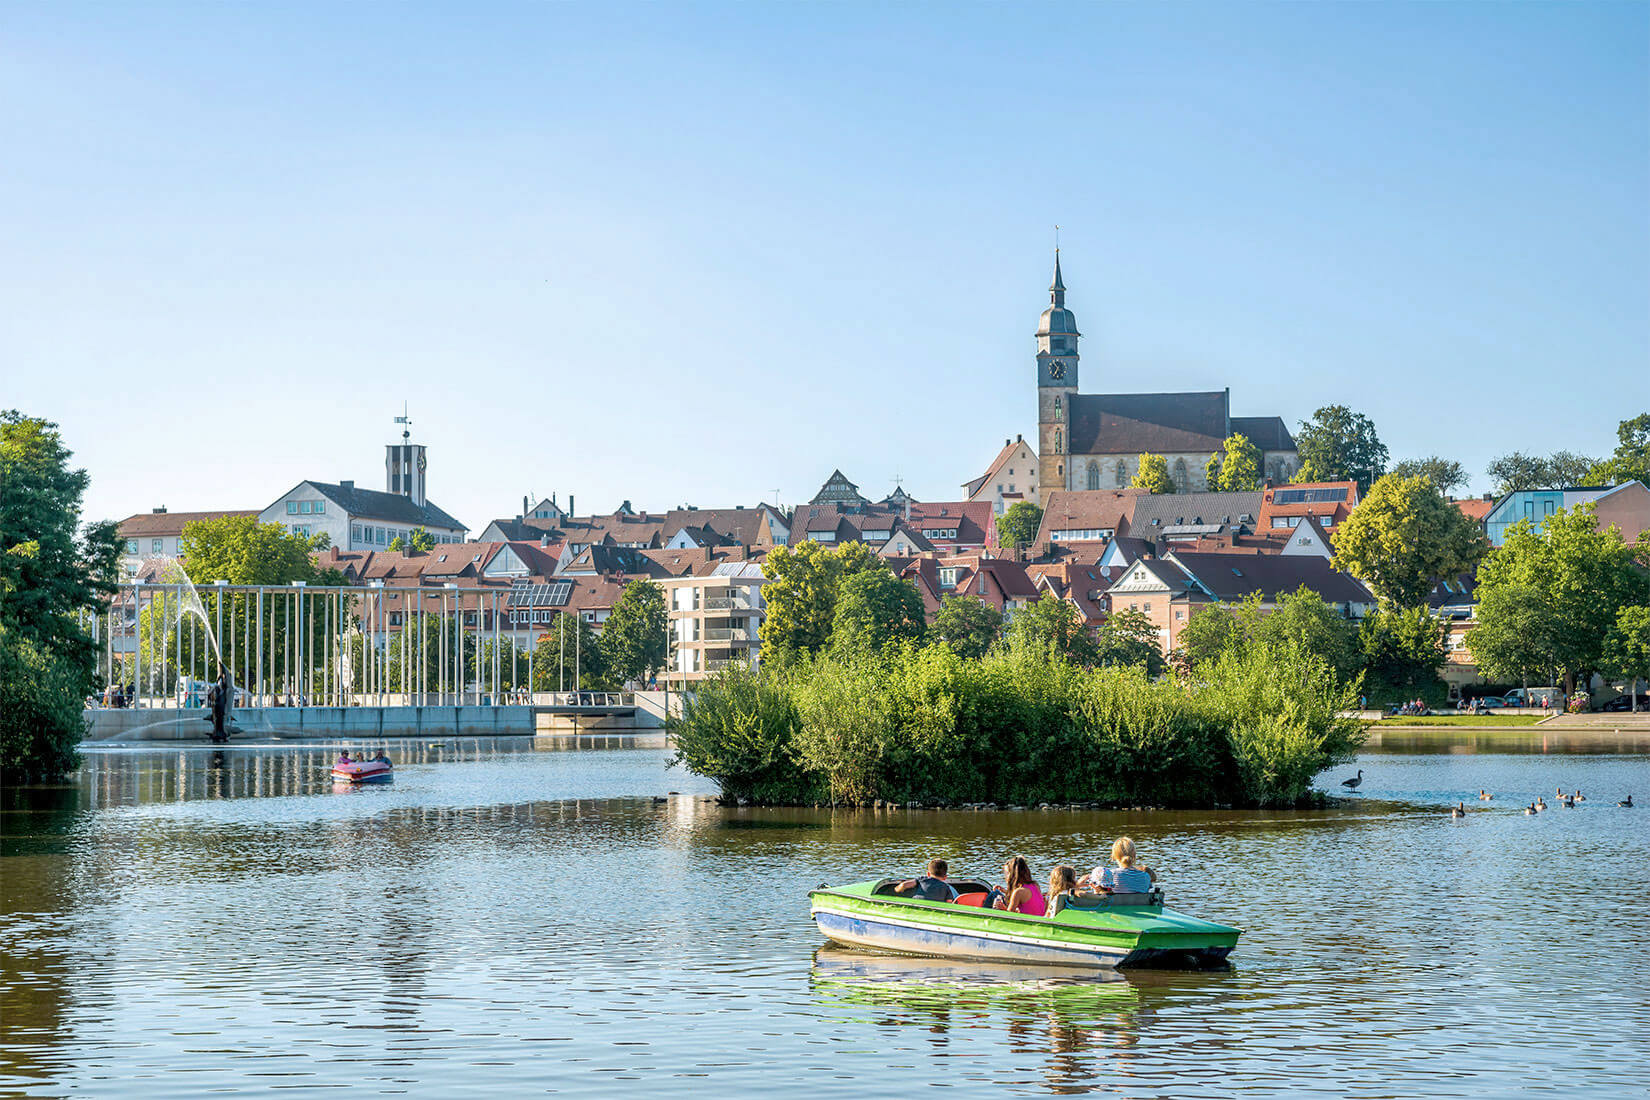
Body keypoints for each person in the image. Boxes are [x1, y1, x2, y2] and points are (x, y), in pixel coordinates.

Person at [1083, 837, 1155, 894]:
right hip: (1141, 907)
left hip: (1114, 909)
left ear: (1114, 856)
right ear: (1134, 855)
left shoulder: (1109, 875)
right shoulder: (1145, 876)